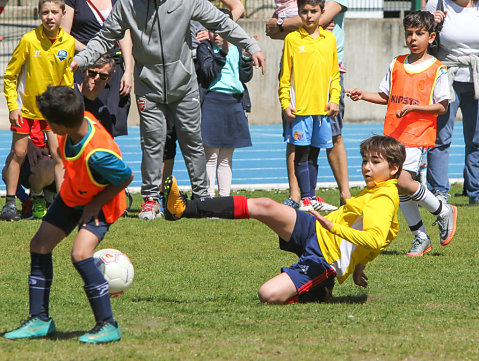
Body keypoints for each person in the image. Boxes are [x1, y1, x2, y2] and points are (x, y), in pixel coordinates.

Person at [70, 0, 265, 221]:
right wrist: (81, 59)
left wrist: (252, 45)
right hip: (148, 86)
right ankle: (151, 200)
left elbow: (222, 22)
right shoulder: (127, 5)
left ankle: (202, 198)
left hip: (184, 84)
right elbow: (105, 36)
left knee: (192, 140)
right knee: (152, 142)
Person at [162, 135, 405, 303]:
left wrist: (333, 227)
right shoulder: (377, 188)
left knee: (268, 294)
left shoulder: (383, 199)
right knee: (265, 205)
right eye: (365, 161)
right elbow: (383, 238)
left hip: (325, 257)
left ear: (394, 168)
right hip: (315, 229)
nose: (366, 168)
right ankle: (183, 208)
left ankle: (318, 291)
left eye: (375, 162)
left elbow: (375, 239)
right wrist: (360, 264)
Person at [3, 85, 133, 343]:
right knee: (39, 245)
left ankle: (108, 324)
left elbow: (125, 176)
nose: (46, 126)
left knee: (80, 254)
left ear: (60, 126)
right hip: (74, 195)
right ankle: (39, 319)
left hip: (101, 204)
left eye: (48, 122)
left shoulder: (98, 153)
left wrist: (96, 204)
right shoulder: (74, 123)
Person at [346, 11, 457, 256]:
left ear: (431, 37)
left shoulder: (438, 69)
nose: (413, 38)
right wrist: (363, 94)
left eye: (419, 34)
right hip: (393, 137)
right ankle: (420, 237)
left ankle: (442, 210)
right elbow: (386, 97)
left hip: (417, 136)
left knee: (404, 181)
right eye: (409, 34)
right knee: (398, 186)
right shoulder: (396, 63)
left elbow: (442, 106)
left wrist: (415, 107)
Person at [266, 0, 351, 209]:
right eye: (304, 12)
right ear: (299, 13)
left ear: (322, 12)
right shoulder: (293, 40)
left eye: (314, 11)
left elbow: (334, 74)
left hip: (322, 110)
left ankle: (311, 197)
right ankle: (304, 197)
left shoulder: (329, 39)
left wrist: (333, 100)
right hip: (300, 109)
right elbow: (285, 76)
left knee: (315, 154)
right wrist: (286, 102)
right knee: (301, 153)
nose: (309, 16)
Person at [1, 0, 75, 221]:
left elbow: (66, 81)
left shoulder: (68, 42)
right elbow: (10, 76)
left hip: (50, 112)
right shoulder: (28, 40)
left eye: (54, 12)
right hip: (26, 110)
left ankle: (63, 206)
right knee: (20, 153)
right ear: (38, 14)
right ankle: (10, 204)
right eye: (45, 12)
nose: (50, 17)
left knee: (58, 154)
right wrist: (14, 107)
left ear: (63, 14)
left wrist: (65, 108)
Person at [424, 0, 479, 206]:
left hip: (476, 78)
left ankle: (476, 192)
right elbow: (419, 36)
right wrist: (431, 23)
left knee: (476, 140)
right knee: (440, 138)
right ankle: (438, 192)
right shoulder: (436, 3)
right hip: (446, 76)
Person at [197, 9, 254, 197]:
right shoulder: (204, 47)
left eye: (221, 29)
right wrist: (222, 53)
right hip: (213, 102)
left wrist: (246, 57)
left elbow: (245, 77)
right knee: (211, 156)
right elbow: (208, 73)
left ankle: (224, 198)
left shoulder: (238, 47)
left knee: (226, 158)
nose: (217, 34)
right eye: (213, 29)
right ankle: (208, 198)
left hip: (234, 103)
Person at [61, 0, 133, 138]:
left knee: (108, 124)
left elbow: (124, 33)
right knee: (80, 123)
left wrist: (128, 70)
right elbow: (64, 35)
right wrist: (91, 54)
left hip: (112, 68)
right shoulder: (73, 1)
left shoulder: (118, 1)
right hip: (85, 68)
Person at [2, 137, 56, 219]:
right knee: (7, 171)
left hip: (59, 173)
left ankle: (55, 201)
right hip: (38, 170)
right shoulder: (28, 128)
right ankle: (30, 200)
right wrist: (28, 143)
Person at [74, 54, 117, 135]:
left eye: (103, 76)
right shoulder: (67, 97)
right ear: (83, 72)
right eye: (92, 73)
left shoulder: (103, 113)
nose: (97, 78)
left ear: (108, 79)